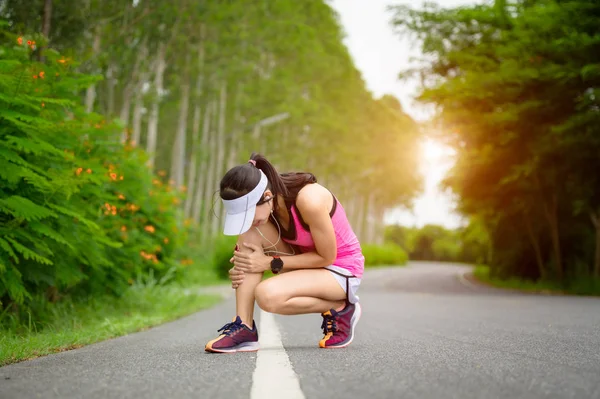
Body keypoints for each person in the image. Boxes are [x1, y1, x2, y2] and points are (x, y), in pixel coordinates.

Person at [204, 153, 364, 353]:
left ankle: (342, 308)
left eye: (249, 214)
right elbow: (251, 249)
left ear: (268, 196)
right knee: (248, 234)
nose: (248, 220)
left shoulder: (309, 200)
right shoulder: (267, 208)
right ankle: (243, 327)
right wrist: (243, 266)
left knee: (267, 295)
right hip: (307, 265)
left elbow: (327, 257)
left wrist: (269, 263)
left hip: (341, 270)